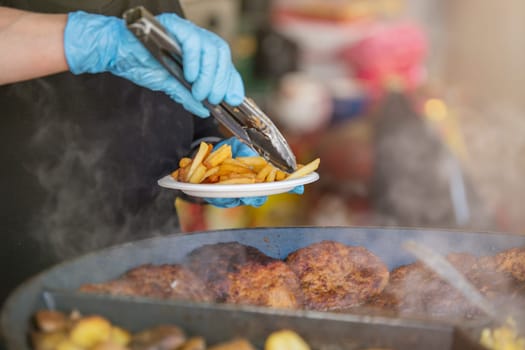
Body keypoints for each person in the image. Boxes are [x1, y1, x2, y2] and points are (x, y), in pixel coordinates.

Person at [0, 1, 301, 304]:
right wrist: (95, 41)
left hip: (154, 263)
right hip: (24, 259)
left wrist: (208, 157)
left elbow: (174, 106)